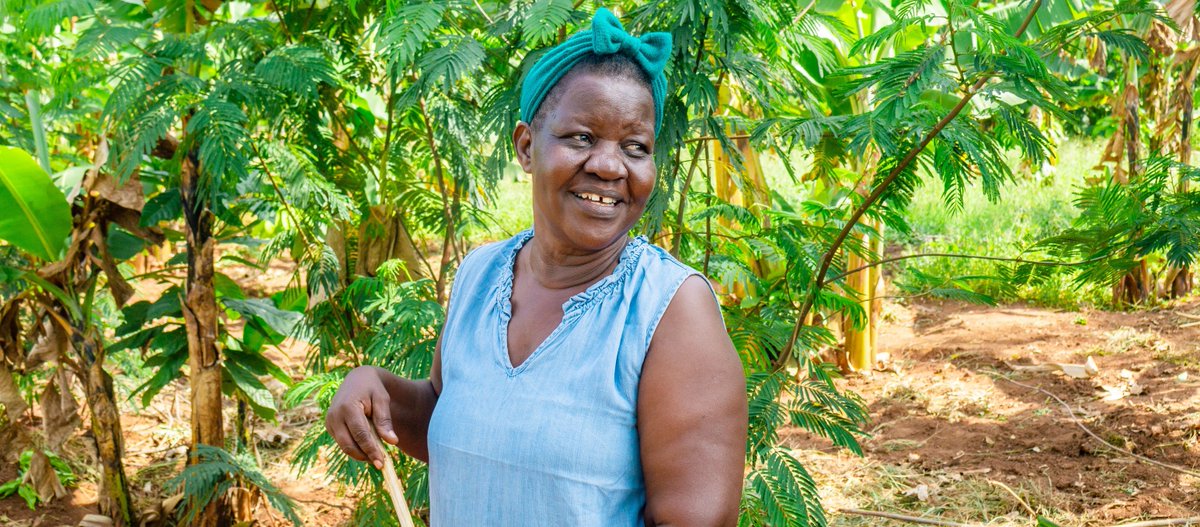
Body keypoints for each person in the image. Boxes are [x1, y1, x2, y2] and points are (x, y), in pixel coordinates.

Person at [325, 8, 747, 526]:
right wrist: (375, 389)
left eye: (635, 147)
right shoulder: (480, 274)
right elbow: (458, 421)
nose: (611, 166)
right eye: (582, 138)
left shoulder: (670, 311)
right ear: (526, 146)